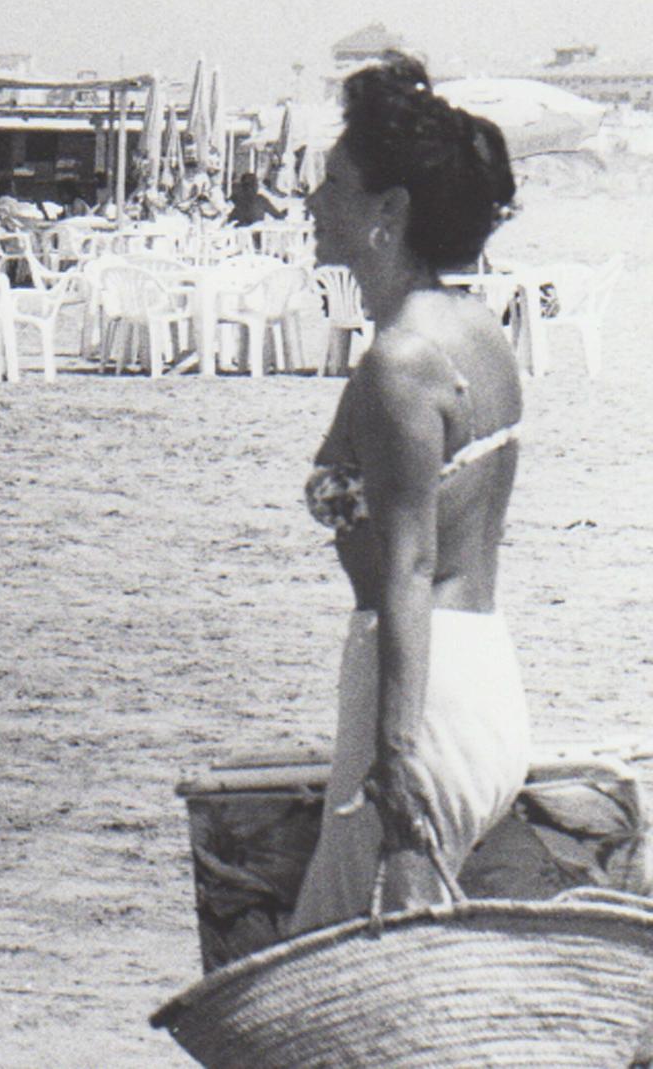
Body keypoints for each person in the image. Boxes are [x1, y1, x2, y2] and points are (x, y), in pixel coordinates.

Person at [289, 52, 525, 934]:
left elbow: (411, 562)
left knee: (331, 969)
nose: (313, 201)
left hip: (418, 691)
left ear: (388, 213)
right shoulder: (468, 333)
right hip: (476, 671)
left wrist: (394, 752)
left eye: (334, 183)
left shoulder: (401, 362)